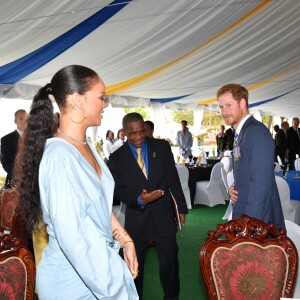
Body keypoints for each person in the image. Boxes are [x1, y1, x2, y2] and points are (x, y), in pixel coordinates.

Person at [13, 65, 139, 299]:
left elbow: (100, 203)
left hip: (95, 268)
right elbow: (74, 238)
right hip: (73, 280)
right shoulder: (59, 157)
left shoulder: (85, 145)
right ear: (78, 100)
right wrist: (114, 290)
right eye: (101, 98)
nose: (105, 104)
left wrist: (125, 239)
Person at [108, 112, 188, 300]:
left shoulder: (161, 147)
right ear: (125, 133)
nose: (138, 137)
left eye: (141, 131)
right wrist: (139, 200)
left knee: (170, 264)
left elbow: (172, 180)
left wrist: (181, 208)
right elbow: (119, 191)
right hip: (137, 219)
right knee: (135, 267)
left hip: (163, 215)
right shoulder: (116, 158)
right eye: (132, 133)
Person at [217, 83, 285, 230]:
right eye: (221, 107)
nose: (224, 111)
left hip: (257, 222)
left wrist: (248, 227)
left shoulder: (256, 132)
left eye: (228, 105)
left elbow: (261, 186)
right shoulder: (241, 133)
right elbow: (246, 171)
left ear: (242, 103)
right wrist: (234, 188)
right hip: (244, 214)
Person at [1, 109, 28, 186]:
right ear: (15, 121)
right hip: (14, 182)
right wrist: (20, 177)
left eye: (27, 119)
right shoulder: (6, 140)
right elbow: (6, 163)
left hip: (34, 183)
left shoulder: (36, 138)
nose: (25, 121)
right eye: (21, 119)